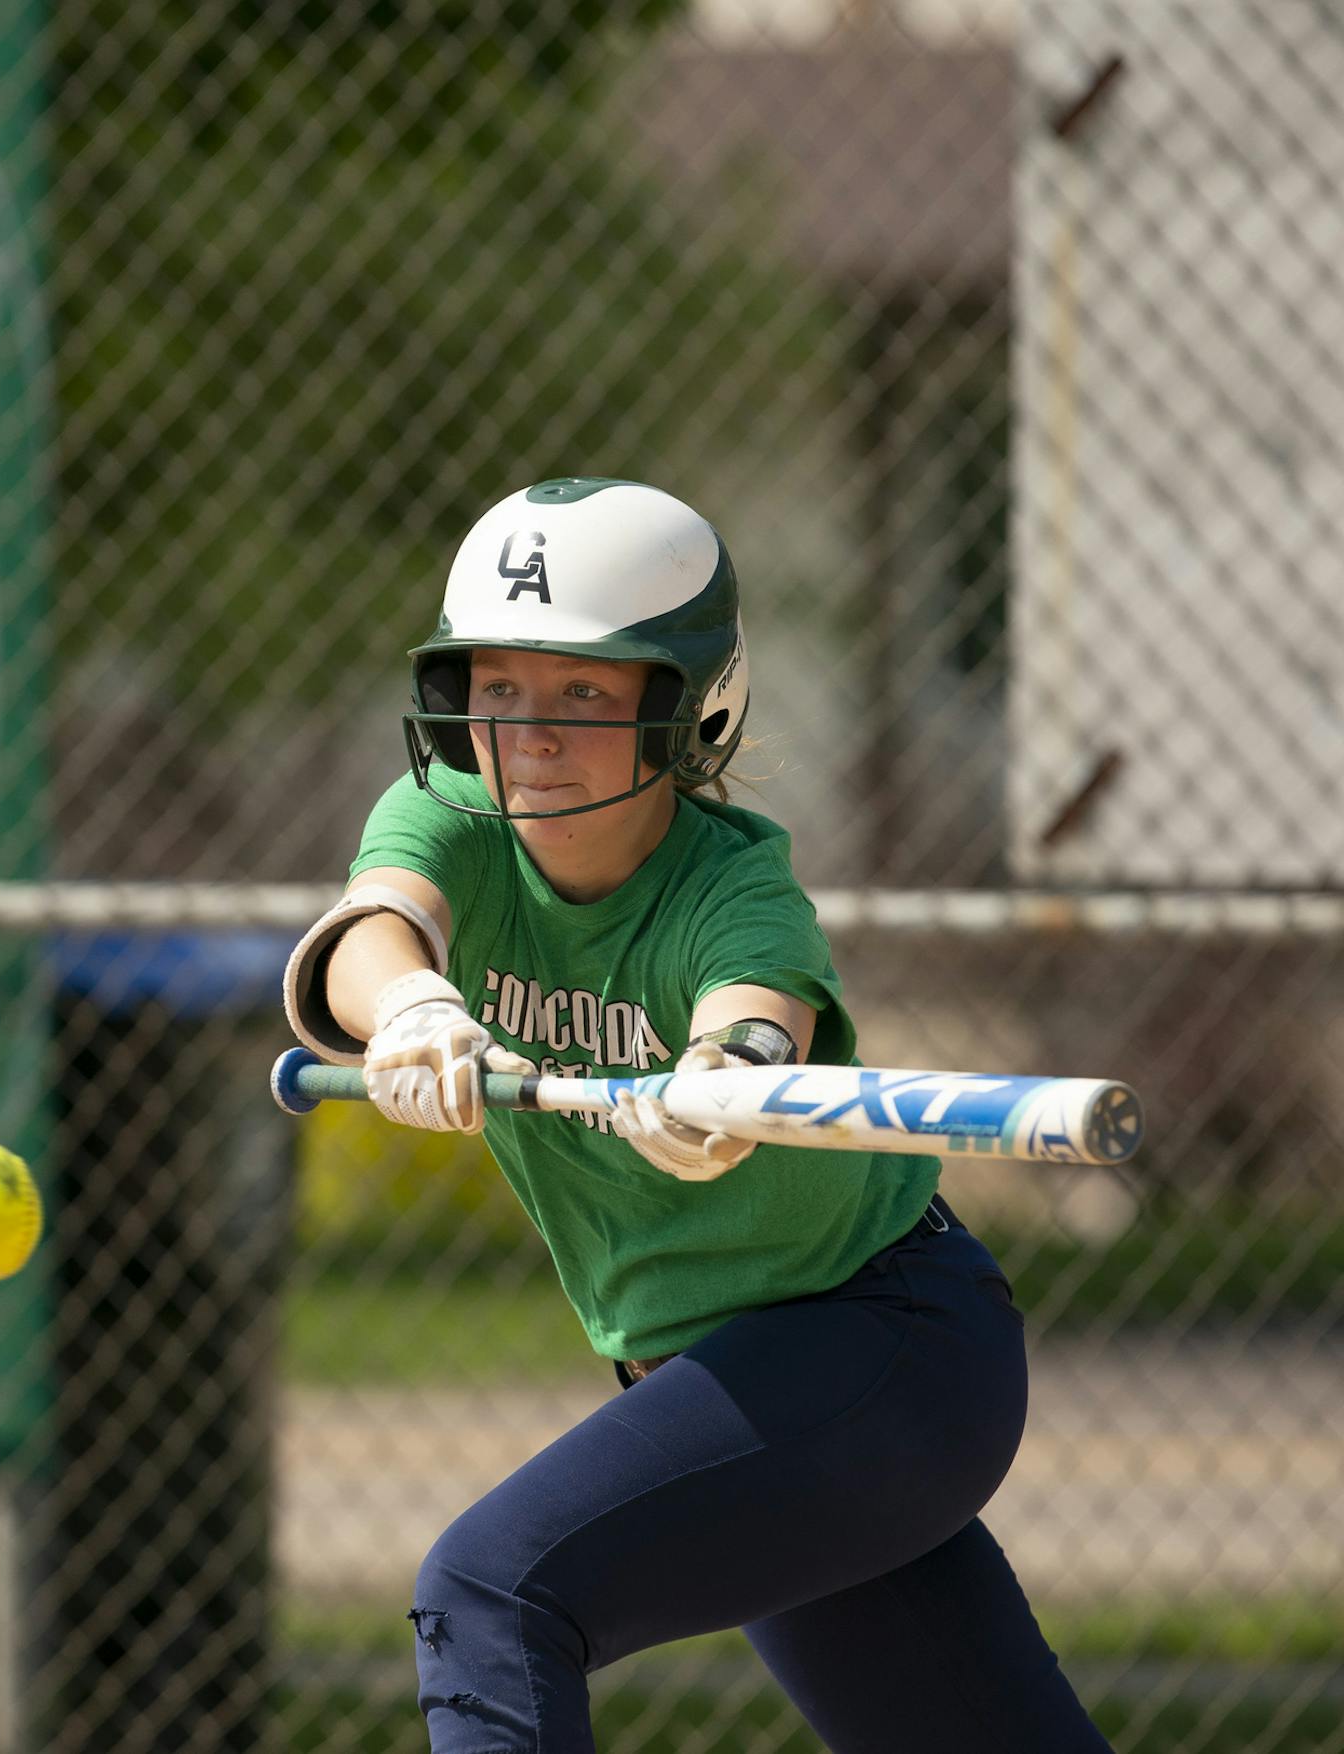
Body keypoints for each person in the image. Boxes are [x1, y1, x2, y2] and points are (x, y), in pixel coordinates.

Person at [280, 479, 1112, 1754]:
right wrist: (412, 1011)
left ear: (687, 706)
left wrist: (718, 1082)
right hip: (738, 1383)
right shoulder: (448, 818)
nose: (529, 734)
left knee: (493, 1590)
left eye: (585, 695)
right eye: (496, 689)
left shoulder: (732, 880)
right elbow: (376, 927)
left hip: (877, 1347)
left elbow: (756, 1012)